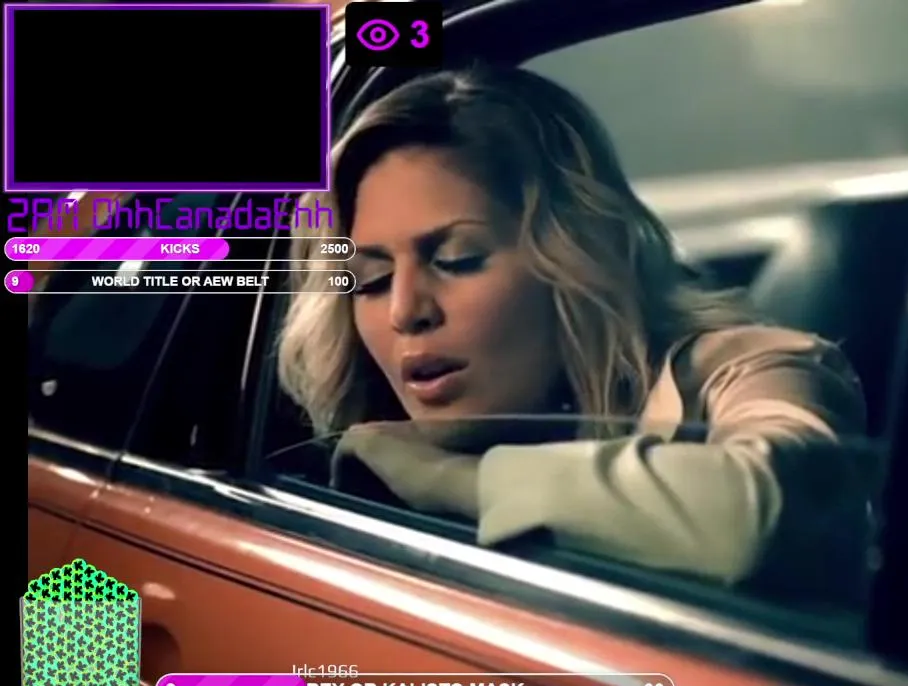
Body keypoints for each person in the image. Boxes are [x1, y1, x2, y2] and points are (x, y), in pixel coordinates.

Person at [276, 66, 873, 590]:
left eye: (457, 258)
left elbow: (757, 515)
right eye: (373, 279)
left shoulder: (750, 369)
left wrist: (447, 479)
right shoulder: (351, 458)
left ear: (576, 257)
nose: (405, 310)